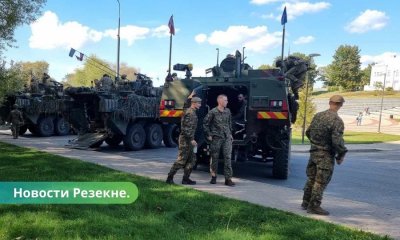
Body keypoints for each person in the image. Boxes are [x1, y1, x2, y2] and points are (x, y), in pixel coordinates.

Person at [301, 95, 348, 215]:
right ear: (341, 105)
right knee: (321, 181)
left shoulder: (318, 116)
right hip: (325, 155)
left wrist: (315, 143)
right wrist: (341, 154)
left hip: (314, 152)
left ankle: (305, 202)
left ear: (329, 102)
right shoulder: (337, 121)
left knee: (311, 178)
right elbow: (337, 141)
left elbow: (308, 132)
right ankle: (314, 206)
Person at [166, 97, 202, 185]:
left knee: (192, 160)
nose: (200, 105)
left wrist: (190, 96)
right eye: (199, 103)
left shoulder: (190, 111)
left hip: (190, 140)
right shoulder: (190, 113)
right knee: (181, 161)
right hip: (186, 140)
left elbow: (185, 105)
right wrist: (191, 139)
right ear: (193, 103)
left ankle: (186, 179)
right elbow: (186, 129)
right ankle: (169, 178)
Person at [203, 94, 235, 186]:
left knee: (228, 157)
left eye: (227, 100)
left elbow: (229, 123)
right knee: (214, 158)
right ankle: (214, 177)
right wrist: (209, 134)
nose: (227, 102)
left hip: (227, 138)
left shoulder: (228, 111)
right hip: (216, 138)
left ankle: (228, 179)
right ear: (220, 101)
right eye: (225, 100)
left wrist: (230, 134)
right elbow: (205, 123)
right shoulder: (213, 112)